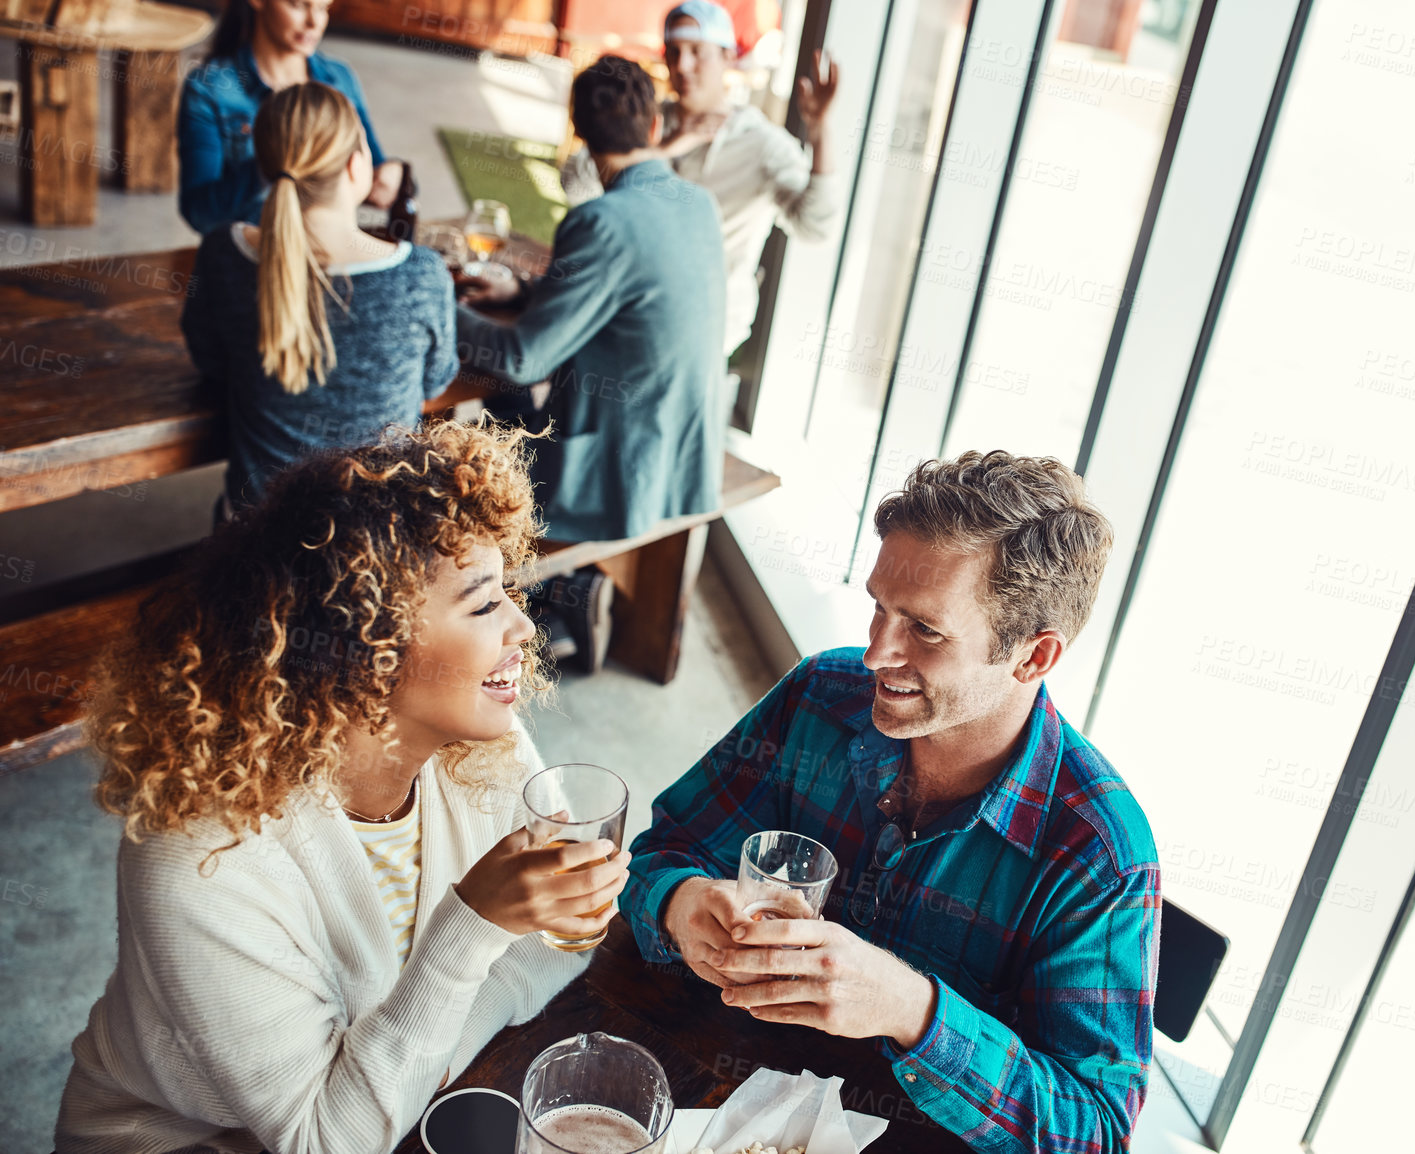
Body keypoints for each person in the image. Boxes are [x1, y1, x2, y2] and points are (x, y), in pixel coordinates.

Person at [55, 421, 631, 1154]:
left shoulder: (485, 742)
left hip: (402, 1108)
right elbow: (324, 1139)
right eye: (485, 605)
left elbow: (557, 948)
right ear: (368, 651)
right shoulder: (199, 864)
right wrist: (473, 929)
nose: (523, 624)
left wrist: (426, 1059)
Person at [622, 451, 1161, 1153]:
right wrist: (679, 902)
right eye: (880, 608)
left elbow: (1092, 1131)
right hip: (724, 1097)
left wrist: (913, 1011)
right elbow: (663, 853)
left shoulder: (1099, 853)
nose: (877, 653)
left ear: (1034, 657)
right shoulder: (821, 694)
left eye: (925, 630)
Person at [458, 54, 726, 547]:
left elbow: (522, 358)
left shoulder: (600, 219)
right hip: (685, 463)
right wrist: (522, 290)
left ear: (578, 132)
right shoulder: (700, 203)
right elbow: (634, 296)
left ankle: (554, 589)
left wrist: (435, 300)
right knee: (504, 407)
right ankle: (573, 591)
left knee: (476, 431)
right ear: (654, 123)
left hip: (615, 476)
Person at [181, 81, 457, 511]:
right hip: (383, 552)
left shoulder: (222, 252)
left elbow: (211, 363)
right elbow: (436, 382)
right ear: (354, 165)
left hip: (254, 543)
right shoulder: (422, 274)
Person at [561, 0, 840, 356]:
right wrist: (662, 150)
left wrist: (820, 132)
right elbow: (574, 185)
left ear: (728, 55)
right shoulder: (647, 121)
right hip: (624, 309)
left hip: (704, 333)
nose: (683, 66)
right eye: (674, 52)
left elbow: (817, 227)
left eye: (697, 51)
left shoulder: (762, 145)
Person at [179, 0, 404, 235]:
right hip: (250, 253)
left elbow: (374, 170)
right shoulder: (210, 88)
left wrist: (396, 175)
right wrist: (278, 161)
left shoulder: (340, 78)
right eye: (298, 5)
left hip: (330, 249)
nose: (314, 22)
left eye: (323, 8)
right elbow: (200, 212)